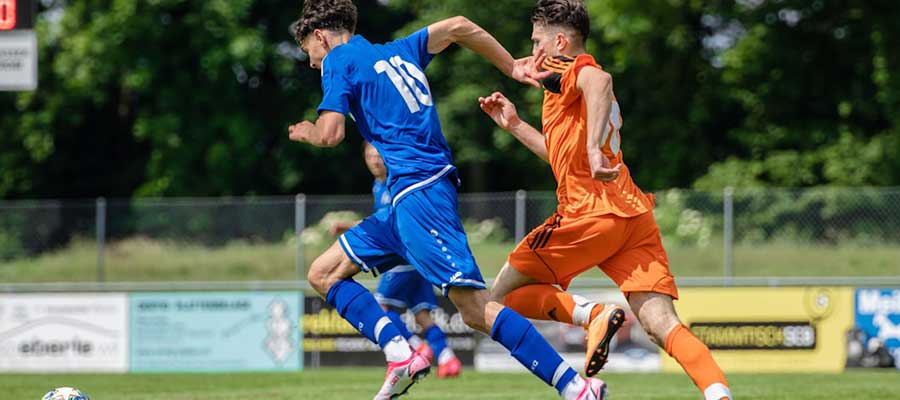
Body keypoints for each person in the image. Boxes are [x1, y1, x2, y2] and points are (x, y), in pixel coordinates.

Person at [289, 1, 606, 399]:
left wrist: (308, 131)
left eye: (309, 52)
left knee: (475, 309)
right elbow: (458, 25)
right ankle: (400, 353)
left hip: (420, 194)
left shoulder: (338, 60)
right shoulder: (398, 50)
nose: (312, 63)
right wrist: (511, 66)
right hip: (404, 200)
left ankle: (574, 387)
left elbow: (331, 133)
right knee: (323, 273)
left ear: (320, 37)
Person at [478, 1, 733, 399]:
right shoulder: (563, 87)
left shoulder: (572, 67)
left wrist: (594, 150)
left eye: (537, 41)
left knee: (497, 299)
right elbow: (562, 156)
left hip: (587, 213)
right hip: (632, 215)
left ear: (560, 42)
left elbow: (599, 81)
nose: (533, 51)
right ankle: (719, 394)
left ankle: (592, 315)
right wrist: (515, 126)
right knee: (662, 324)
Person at [330, 143, 463, 378]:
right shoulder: (378, 185)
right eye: (369, 156)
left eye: (378, 155)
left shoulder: (396, 183)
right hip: (417, 260)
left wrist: (348, 227)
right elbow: (381, 222)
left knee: (380, 307)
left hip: (401, 259)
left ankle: (415, 347)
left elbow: (391, 223)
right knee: (422, 315)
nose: (375, 160)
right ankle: (447, 359)